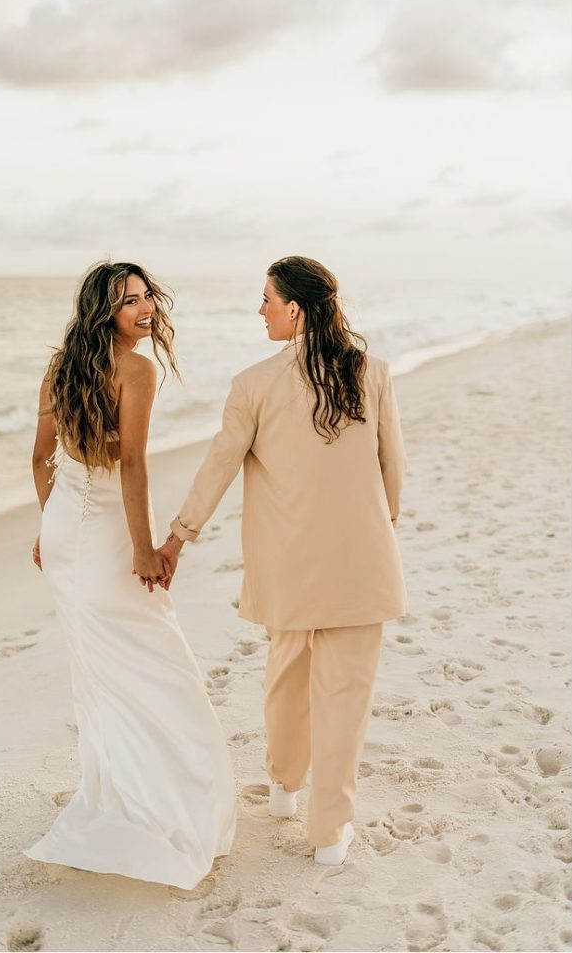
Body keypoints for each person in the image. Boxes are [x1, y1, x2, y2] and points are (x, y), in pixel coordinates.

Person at [158, 255, 407, 867]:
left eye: (266, 299)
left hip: (288, 561)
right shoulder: (371, 373)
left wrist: (178, 536)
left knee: (287, 674)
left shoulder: (253, 384)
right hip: (360, 556)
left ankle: (283, 784)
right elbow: (391, 466)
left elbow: (219, 464)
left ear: (294, 308)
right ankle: (329, 832)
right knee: (346, 693)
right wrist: (382, 523)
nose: (260, 310)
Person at [26, 260, 236, 889]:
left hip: (65, 530)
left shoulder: (61, 364)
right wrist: (145, 550)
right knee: (153, 660)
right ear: (103, 312)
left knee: (102, 667)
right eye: (127, 303)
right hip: (107, 535)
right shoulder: (137, 369)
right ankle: (158, 803)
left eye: (146, 298)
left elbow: (41, 459)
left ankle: (120, 786)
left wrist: (50, 525)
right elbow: (135, 466)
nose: (143, 310)